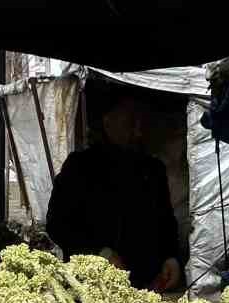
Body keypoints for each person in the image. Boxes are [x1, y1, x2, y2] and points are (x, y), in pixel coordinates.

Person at [45, 92, 183, 292]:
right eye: (130, 122)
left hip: (145, 284)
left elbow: (166, 223)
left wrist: (171, 258)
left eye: (141, 123)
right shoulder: (80, 167)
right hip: (91, 284)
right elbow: (58, 224)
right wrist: (101, 253)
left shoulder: (153, 170)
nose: (138, 132)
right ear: (107, 121)